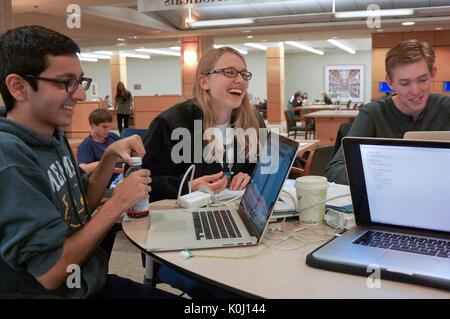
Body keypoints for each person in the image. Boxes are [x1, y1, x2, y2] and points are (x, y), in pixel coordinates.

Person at [0, 25, 177, 299]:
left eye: (80, 82)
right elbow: (50, 272)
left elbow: (82, 202)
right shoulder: (10, 158)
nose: (80, 95)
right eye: (65, 82)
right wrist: (118, 202)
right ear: (18, 87)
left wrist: (108, 156)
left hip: (88, 279)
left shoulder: (51, 133)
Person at [141, 47, 265, 297]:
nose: (239, 80)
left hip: (237, 224)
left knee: (266, 276)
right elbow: (143, 185)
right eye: (230, 72)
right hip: (180, 234)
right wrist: (187, 187)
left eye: (244, 74)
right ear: (204, 81)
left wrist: (253, 177)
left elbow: (263, 169)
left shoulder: (252, 121)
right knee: (231, 290)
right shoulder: (171, 122)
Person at [324, 39, 450, 185]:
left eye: (422, 80)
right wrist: (385, 175)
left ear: (433, 74)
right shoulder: (374, 113)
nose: (415, 91)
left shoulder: (446, 108)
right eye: (405, 83)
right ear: (390, 83)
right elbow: (335, 171)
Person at [77, 108, 121, 178]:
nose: (107, 130)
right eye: (104, 127)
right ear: (93, 125)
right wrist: (111, 160)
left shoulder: (112, 136)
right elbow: (83, 169)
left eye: (109, 127)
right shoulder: (86, 145)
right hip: (107, 181)